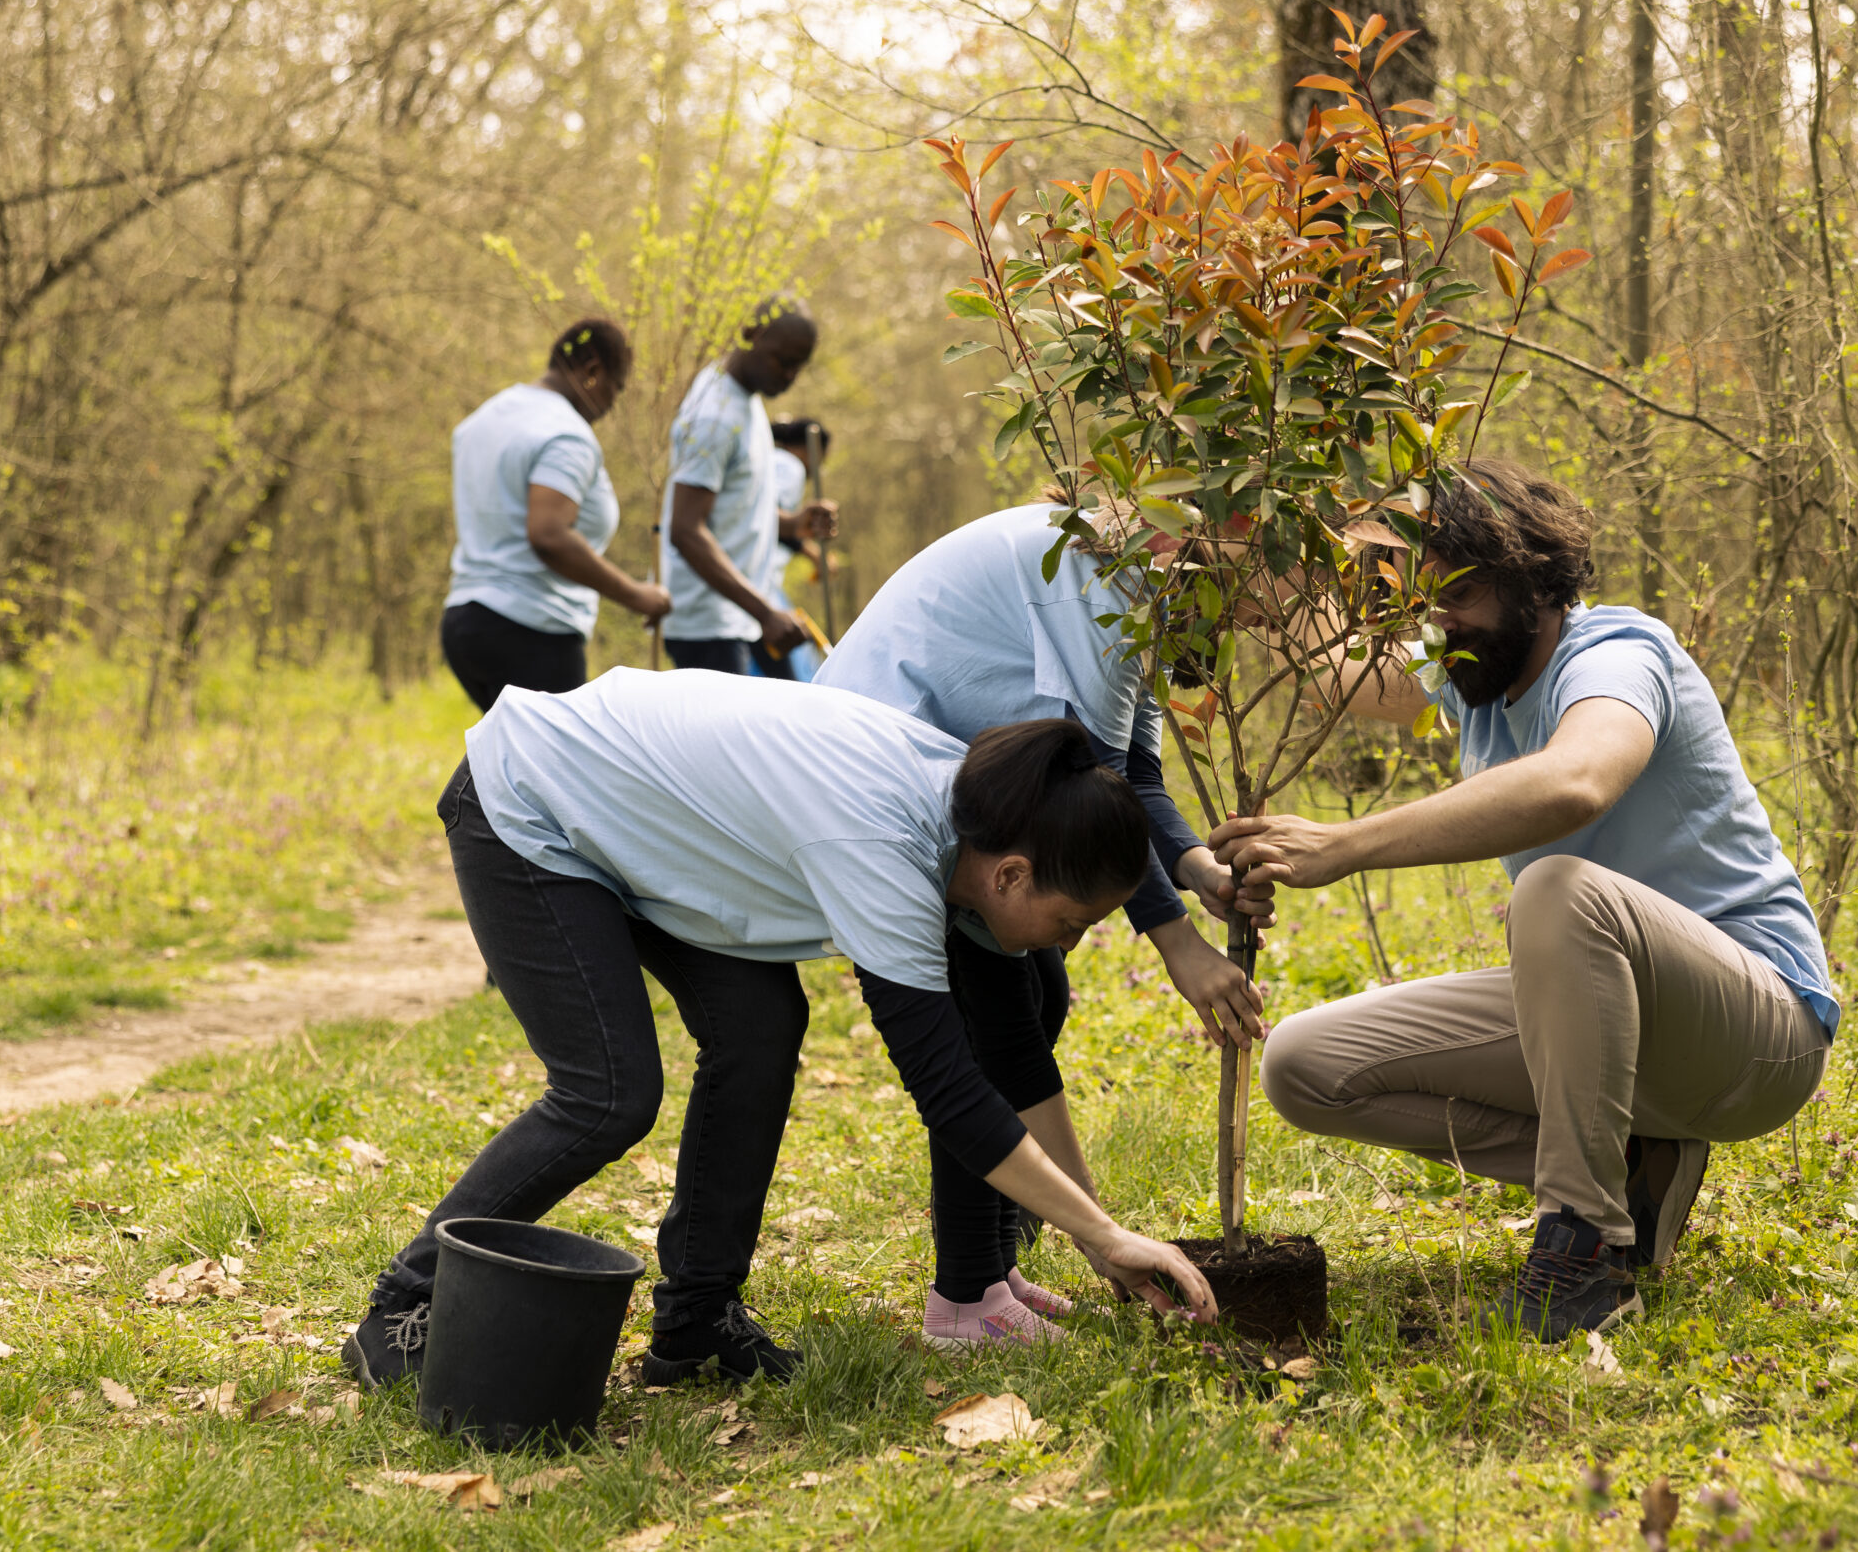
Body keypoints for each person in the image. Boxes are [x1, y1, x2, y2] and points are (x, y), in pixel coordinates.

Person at [341, 672, 1217, 1390]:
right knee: (608, 1092)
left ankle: (693, 1322)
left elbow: (1008, 1066)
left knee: (760, 1025)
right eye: (1071, 922)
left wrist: (1099, 1233)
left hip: (648, 827)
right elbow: (952, 1093)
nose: (1070, 943)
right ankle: (400, 1308)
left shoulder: (980, 815)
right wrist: (1100, 1234)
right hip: (533, 801)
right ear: (1014, 876)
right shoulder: (882, 842)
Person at [1208, 460, 1839, 1341]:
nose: (1439, 620)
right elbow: (1334, 670)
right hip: (1614, 1026)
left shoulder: (1619, 653)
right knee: (1307, 1066)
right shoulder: (1472, 674)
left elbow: (1577, 781)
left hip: (1758, 1031)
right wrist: (1264, 550)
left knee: (1557, 891)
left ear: (1535, 579)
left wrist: (1345, 845)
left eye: (1460, 592)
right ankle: (1629, 1167)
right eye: (1424, 597)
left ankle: (1585, 1254)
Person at [815, 502, 1261, 1348]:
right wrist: (1178, 946)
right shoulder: (1104, 587)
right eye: (1244, 608)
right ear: (1200, 568)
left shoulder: (1137, 616)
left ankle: (988, 1260)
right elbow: (1088, 794)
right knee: (1001, 1026)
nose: (1248, 627)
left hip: (961, 787)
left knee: (1035, 1002)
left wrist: (1196, 868)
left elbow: (1127, 778)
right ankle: (964, 1299)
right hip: (895, 793)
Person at [440, 318, 668, 711]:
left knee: (510, 763)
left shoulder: (485, 418)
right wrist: (638, 596)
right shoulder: (566, 433)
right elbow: (548, 535)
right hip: (531, 630)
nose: (614, 403)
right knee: (557, 770)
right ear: (593, 372)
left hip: (465, 621)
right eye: (617, 387)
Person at [658, 306, 838, 675]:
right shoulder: (715, 416)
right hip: (709, 626)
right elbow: (686, 529)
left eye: (799, 366)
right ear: (752, 334)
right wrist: (766, 612)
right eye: (783, 361)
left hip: (740, 613)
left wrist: (791, 524)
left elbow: (730, 507)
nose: (789, 375)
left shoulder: (743, 397)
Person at [749, 418, 830, 681]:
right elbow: (767, 518)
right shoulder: (788, 465)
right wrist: (813, 552)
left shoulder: (767, 458)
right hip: (759, 582)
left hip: (751, 581)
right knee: (790, 677)